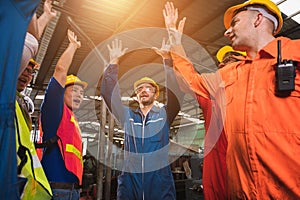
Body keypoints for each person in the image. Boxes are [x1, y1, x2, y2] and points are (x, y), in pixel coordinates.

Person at [163, 0, 300, 199]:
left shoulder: (295, 54)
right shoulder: (228, 74)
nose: (227, 32)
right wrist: (175, 42)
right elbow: (189, 81)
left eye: (234, 23)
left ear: (258, 19)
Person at [101, 38, 183, 200]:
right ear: (136, 96)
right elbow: (108, 94)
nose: (143, 90)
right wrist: (113, 62)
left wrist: (167, 60)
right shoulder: (127, 116)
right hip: (130, 184)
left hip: (159, 184)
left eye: (148, 88)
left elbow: (176, 93)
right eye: (139, 88)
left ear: (155, 94)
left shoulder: (163, 116)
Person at [0, 1, 40, 198]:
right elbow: (31, 42)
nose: (27, 75)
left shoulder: (22, 105)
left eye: (31, 72)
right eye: (24, 68)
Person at [40, 30, 86, 200]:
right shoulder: (55, 111)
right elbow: (60, 71)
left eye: (81, 93)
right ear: (61, 94)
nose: (79, 95)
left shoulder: (72, 119)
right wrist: (73, 46)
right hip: (57, 191)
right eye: (74, 90)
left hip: (72, 191)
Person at [197, 46, 246, 199]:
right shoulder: (210, 97)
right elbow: (187, 81)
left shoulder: (255, 89)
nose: (229, 63)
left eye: (235, 58)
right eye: (225, 61)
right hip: (218, 165)